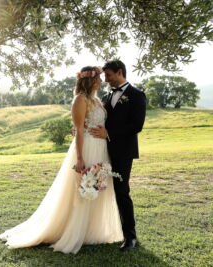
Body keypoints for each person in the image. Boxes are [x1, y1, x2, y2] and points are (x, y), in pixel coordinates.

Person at [0, 66, 123, 254]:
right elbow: (79, 130)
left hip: (100, 148)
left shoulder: (97, 100)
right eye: (99, 77)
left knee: (97, 186)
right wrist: (80, 157)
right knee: (83, 187)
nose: (102, 80)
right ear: (91, 80)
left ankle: (92, 230)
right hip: (87, 147)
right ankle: (74, 231)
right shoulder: (80, 100)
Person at [90, 60, 146, 251]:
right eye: (104, 76)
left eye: (108, 75)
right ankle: (96, 230)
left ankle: (130, 237)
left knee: (122, 191)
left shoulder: (137, 95)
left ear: (119, 72)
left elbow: (137, 125)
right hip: (101, 151)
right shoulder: (106, 95)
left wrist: (110, 133)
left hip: (123, 152)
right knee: (97, 189)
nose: (105, 79)